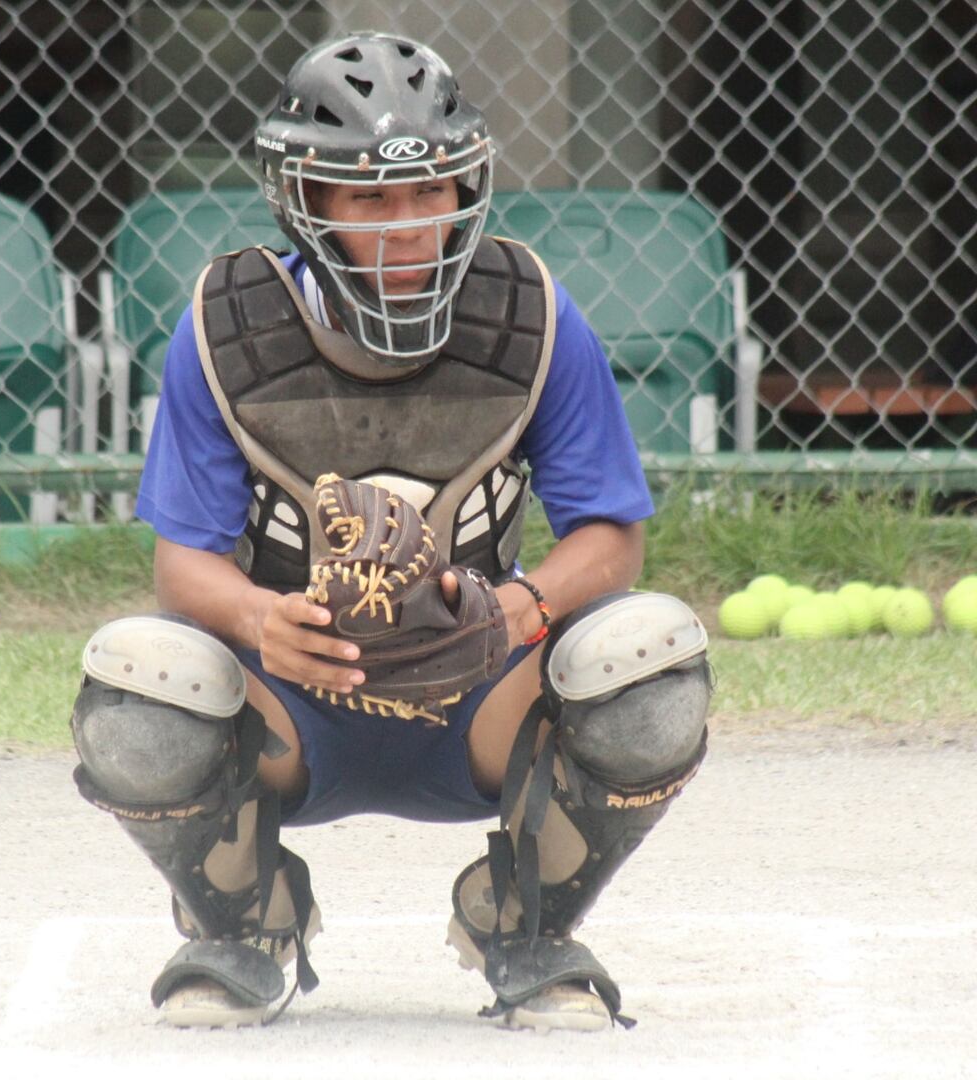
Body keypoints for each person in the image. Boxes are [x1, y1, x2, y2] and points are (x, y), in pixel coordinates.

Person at [70, 31, 711, 1032]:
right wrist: (256, 616)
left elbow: (612, 543)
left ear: (467, 188)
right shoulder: (225, 327)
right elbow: (180, 568)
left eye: (429, 191)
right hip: (294, 706)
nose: (405, 225)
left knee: (649, 660)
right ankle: (246, 920)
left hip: (480, 696)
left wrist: (520, 606)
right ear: (304, 199)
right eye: (367, 199)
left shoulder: (532, 313)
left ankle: (523, 917)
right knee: (135, 686)